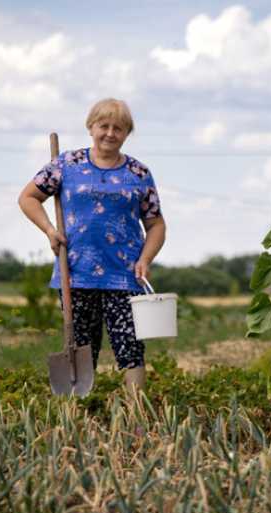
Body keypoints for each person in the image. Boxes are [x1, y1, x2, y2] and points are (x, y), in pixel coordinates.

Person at [18, 98, 166, 388]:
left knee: (131, 347)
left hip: (125, 275)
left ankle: (137, 410)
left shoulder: (138, 173)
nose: (110, 133)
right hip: (75, 273)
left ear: (127, 133)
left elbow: (156, 224)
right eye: (104, 126)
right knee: (81, 348)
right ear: (91, 128)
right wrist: (49, 230)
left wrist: (145, 259)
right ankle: (81, 407)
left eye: (118, 128)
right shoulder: (66, 164)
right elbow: (28, 197)